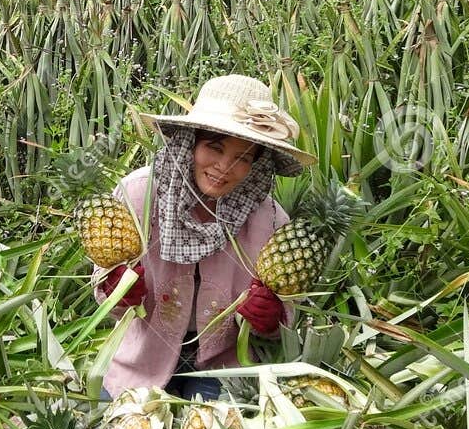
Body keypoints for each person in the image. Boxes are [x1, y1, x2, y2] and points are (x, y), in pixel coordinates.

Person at [92, 73, 316, 402]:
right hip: (141, 357)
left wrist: (272, 319)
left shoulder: (269, 220)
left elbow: (285, 313)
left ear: (256, 164)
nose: (225, 166)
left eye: (243, 158)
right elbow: (102, 280)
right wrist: (115, 293)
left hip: (224, 364)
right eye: (215, 147)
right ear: (190, 142)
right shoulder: (138, 195)